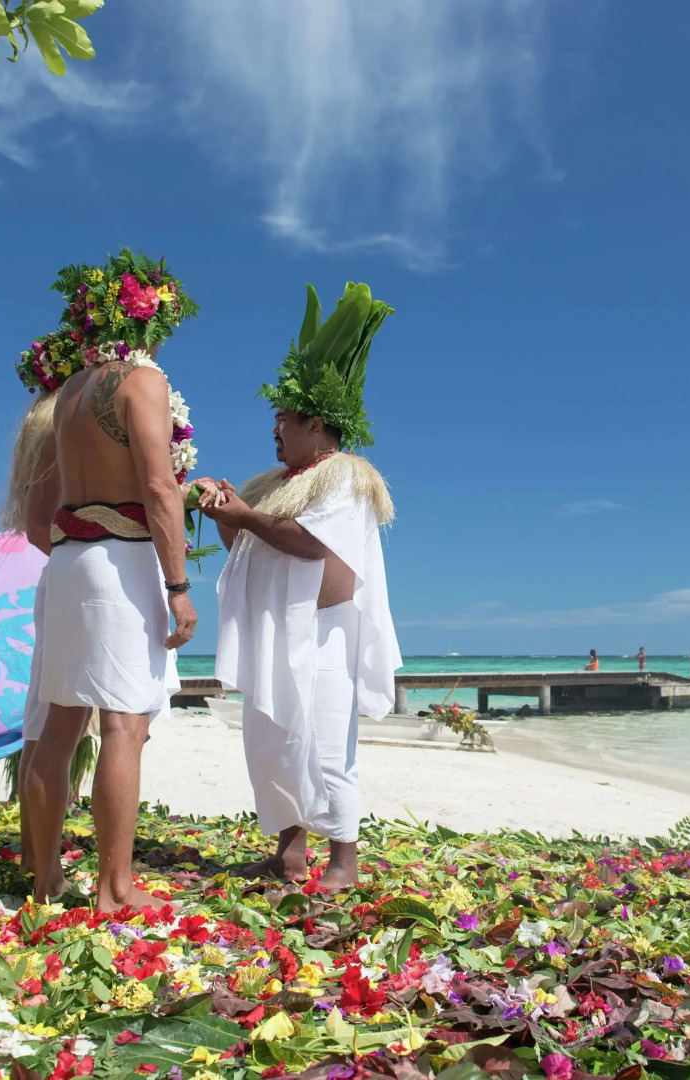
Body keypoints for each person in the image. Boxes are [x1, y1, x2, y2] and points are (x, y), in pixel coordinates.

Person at [207, 282, 400, 891]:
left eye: (284, 420)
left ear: (317, 424)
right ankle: (289, 855)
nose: (275, 431)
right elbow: (252, 544)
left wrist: (243, 515)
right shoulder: (275, 480)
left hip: (323, 634)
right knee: (275, 741)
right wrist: (226, 509)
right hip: (279, 628)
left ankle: (344, 862)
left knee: (323, 744)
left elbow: (313, 544)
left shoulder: (345, 476)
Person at [22, 341, 209, 910]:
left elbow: (37, 520)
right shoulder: (142, 381)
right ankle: (114, 888)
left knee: (59, 727)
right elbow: (155, 487)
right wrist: (177, 586)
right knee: (124, 727)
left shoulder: (70, 394)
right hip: (121, 564)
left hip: (68, 563)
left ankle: (46, 877)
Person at [0, 383, 90, 883]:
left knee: (45, 722)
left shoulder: (51, 431)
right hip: (75, 582)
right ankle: (44, 867)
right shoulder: (65, 429)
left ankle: (37, 859)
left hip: (65, 579)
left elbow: (37, 527)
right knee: (57, 725)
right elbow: (39, 527)